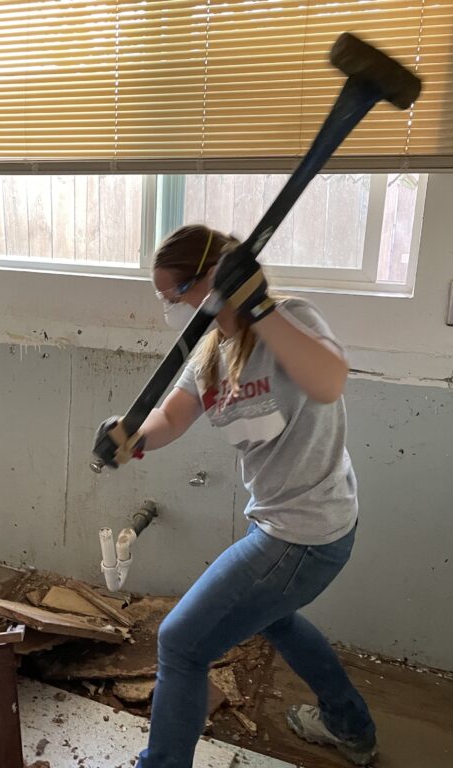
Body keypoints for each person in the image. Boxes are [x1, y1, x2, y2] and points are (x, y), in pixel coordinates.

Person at [95, 224, 377, 767]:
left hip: (307, 532)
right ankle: (351, 727)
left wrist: (262, 308)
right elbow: (171, 417)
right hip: (280, 523)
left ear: (213, 281)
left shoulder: (290, 318)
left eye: (174, 294)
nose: (169, 307)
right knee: (275, 618)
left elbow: (329, 381)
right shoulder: (211, 351)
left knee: (180, 643)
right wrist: (130, 434)